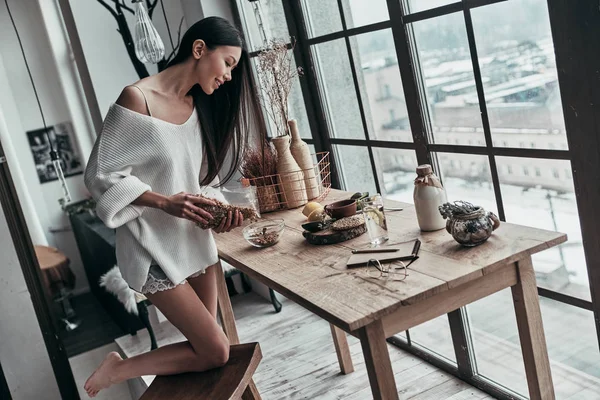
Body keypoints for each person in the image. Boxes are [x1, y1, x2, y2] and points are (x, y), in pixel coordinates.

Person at [82, 16, 262, 398]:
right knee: (215, 350)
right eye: (228, 63)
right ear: (199, 49)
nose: (230, 75)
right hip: (151, 248)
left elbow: (197, 181)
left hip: (193, 241)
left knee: (208, 351)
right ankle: (120, 368)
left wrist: (217, 211)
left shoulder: (198, 107)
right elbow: (100, 175)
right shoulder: (137, 99)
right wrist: (164, 202)